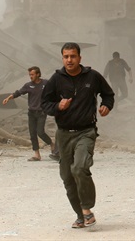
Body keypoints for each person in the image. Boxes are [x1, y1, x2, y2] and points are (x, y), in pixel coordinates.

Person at [41, 42, 114, 229]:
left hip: (86, 131)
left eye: (73, 56)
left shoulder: (93, 76)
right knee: (67, 176)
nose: (69, 60)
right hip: (63, 134)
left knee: (80, 168)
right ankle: (81, 215)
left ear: (80, 58)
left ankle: (87, 208)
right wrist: (58, 106)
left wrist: (107, 105)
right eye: (66, 56)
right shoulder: (56, 80)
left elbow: (108, 94)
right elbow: (45, 103)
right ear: (62, 58)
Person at [3, 66, 58, 162]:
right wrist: (8, 98)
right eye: (30, 75)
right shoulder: (28, 85)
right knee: (32, 133)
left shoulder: (45, 83)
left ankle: (51, 144)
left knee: (40, 132)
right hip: (31, 113)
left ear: (38, 74)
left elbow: (54, 91)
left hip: (41, 112)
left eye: (32, 74)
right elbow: (18, 93)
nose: (30, 76)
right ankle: (37, 155)